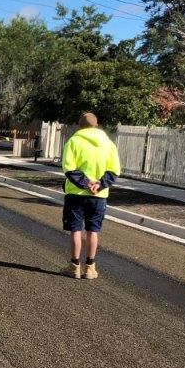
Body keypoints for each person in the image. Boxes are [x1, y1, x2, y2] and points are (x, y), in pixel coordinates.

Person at [61, 112, 121, 279]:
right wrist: (99, 184)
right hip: (99, 195)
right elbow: (114, 170)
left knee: (75, 230)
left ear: (79, 126)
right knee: (93, 231)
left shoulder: (73, 141)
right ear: (97, 125)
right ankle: (90, 267)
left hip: (76, 193)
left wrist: (85, 183)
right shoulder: (109, 144)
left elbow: (69, 168)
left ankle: (74, 266)